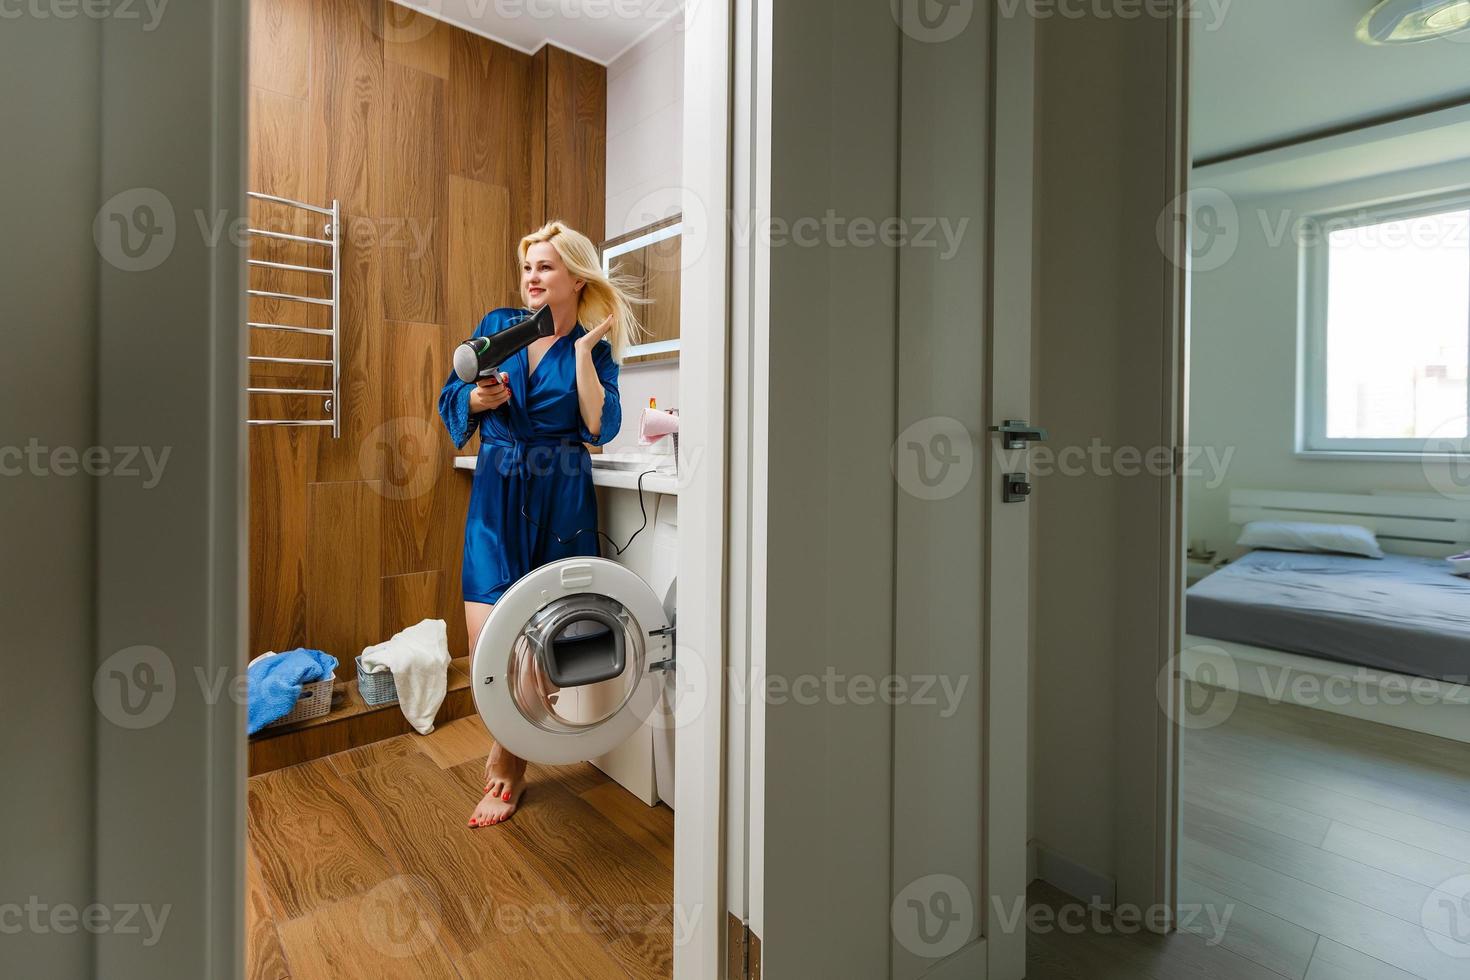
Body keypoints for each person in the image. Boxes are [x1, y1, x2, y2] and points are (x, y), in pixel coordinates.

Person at [437, 220, 641, 827]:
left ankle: (509, 761)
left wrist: (580, 358)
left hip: (560, 490)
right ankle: (513, 745)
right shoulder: (497, 326)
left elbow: (600, 427)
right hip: (500, 485)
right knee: (485, 638)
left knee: (543, 634)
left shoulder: (594, 348)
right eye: (527, 267)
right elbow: (453, 393)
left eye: (545, 267)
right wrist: (478, 401)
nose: (531, 277)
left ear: (575, 278)